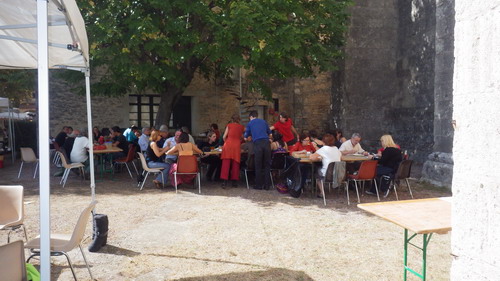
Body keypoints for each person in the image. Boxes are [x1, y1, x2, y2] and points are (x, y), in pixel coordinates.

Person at [244, 110, 272, 190]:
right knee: (267, 164)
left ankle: (258, 185)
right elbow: (270, 134)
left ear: (251, 117)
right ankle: (267, 186)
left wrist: (249, 137)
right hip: (266, 143)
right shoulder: (264, 121)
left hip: (258, 144)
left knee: (258, 164)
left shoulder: (250, 123)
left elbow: (246, 137)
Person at [220, 114, 245, 188]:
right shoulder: (241, 127)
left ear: (232, 119)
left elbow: (224, 136)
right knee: (235, 163)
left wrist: (225, 141)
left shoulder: (229, 125)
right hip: (236, 145)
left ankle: (224, 182)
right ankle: (234, 182)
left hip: (228, 144)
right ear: (239, 119)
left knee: (226, 163)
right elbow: (242, 137)